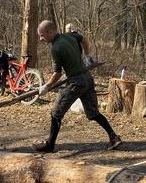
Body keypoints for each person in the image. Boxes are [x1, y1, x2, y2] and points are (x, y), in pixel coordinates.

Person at [35, 20, 121, 153]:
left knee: (56, 113)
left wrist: (46, 86)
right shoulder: (70, 36)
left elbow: (57, 73)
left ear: (50, 32)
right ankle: (114, 137)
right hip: (87, 78)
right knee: (93, 113)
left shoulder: (56, 48)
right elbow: (84, 39)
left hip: (76, 83)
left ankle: (50, 145)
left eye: (42, 35)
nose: (40, 39)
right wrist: (87, 55)